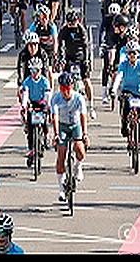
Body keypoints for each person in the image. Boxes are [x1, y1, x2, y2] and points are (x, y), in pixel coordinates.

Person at [50, 71, 88, 203]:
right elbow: (54, 116)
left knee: (80, 151)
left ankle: (78, 166)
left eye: (67, 89)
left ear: (72, 87)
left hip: (75, 125)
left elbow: (83, 116)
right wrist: (55, 134)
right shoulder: (56, 98)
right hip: (63, 126)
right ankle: (61, 188)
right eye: (62, 89)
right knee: (61, 154)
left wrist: (85, 134)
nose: (65, 92)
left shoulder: (78, 98)